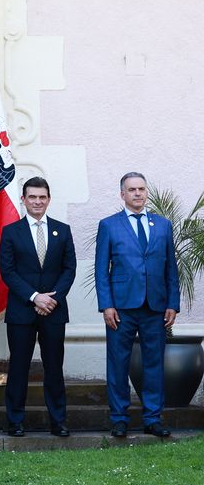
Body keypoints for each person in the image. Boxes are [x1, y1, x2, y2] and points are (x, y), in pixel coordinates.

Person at [95, 171, 179, 438]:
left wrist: (172, 304)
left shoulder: (163, 225)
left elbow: (171, 269)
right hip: (121, 308)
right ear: (122, 194)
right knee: (118, 362)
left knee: (154, 362)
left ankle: (153, 418)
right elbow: (101, 270)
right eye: (132, 190)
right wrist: (106, 304)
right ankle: (119, 418)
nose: (138, 194)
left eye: (141, 189)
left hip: (155, 306)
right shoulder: (109, 225)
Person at [0, 176, 76, 437]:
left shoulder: (62, 230)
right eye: (32, 197)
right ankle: (15, 421)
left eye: (42, 197)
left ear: (49, 199)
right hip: (22, 311)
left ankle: (59, 420)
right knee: (19, 367)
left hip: (54, 311)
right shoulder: (11, 232)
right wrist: (35, 297)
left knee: (54, 367)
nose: (37, 201)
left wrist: (51, 299)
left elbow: (69, 269)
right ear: (23, 199)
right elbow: (7, 271)